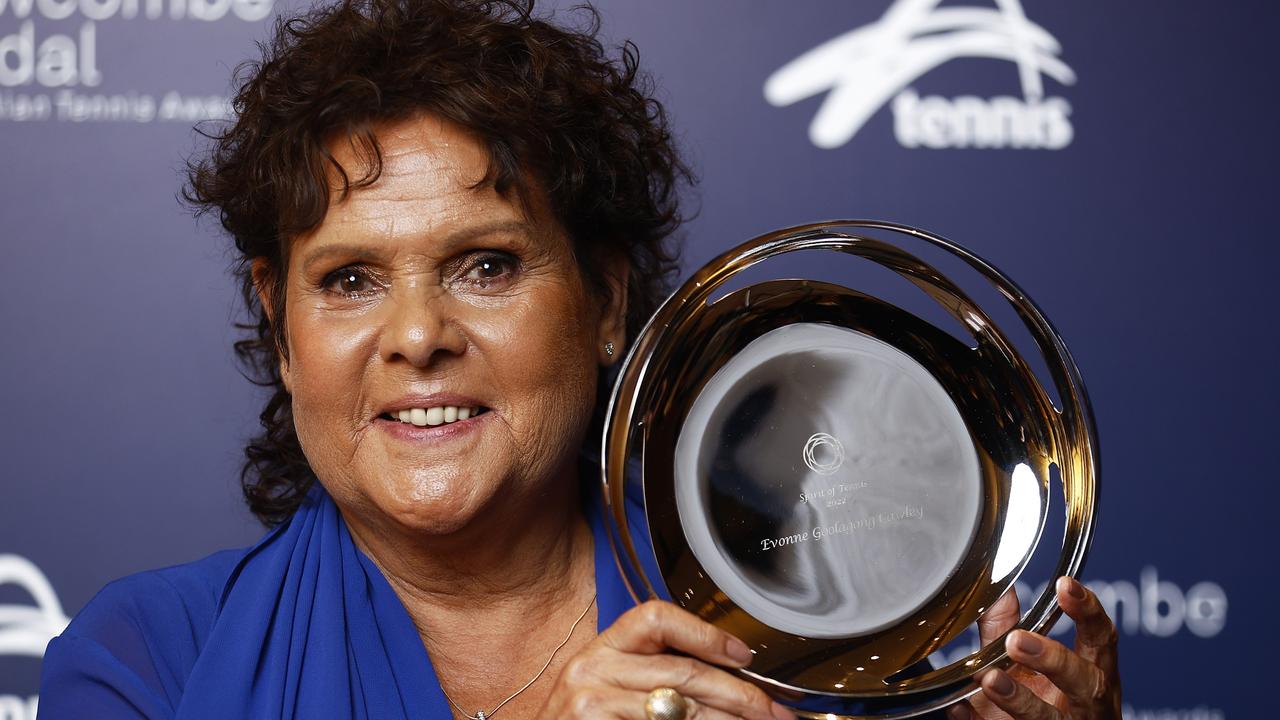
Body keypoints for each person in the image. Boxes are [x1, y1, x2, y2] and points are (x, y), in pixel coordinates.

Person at [36, 1, 1122, 718]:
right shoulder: (147, 664)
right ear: (281, 327)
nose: (416, 336)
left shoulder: (825, 646)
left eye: (486, 266)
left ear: (605, 304)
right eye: (349, 281)